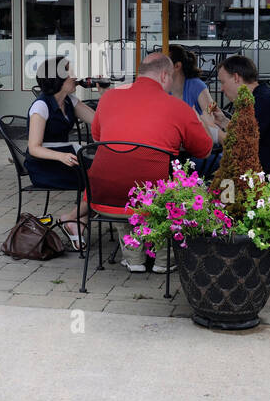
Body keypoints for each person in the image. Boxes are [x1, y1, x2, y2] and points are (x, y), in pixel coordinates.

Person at [88, 52, 214, 271]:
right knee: (174, 186)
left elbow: (97, 138)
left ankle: (134, 256)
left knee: (122, 175)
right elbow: (204, 150)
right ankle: (164, 259)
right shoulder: (178, 107)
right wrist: (201, 122)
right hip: (153, 196)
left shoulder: (108, 97)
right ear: (165, 76)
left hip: (103, 194)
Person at [25, 56, 98, 249]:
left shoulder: (69, 100)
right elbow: (34, 147)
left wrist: (105, 92)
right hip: (45, 165)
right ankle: (74, 221)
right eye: (70, 72)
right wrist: (60, 156)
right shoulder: (41, 106)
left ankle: (73, 220)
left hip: (67, 160)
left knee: (108, 178)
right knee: (99, 183)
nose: (75, 76)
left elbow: (99, 121)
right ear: (58, 78)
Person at [209, 54, 270, 174]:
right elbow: (246, 133)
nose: (221, 89)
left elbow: (238, 148)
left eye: (223, 82)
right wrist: (223, 121)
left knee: (203, 167)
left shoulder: (260, 102)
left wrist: (213, 130)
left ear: (236, 78)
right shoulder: (261, 95)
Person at [167, 44, 222, 177]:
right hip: (172, 147)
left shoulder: (195, 84)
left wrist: (206, 114)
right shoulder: (162, 88)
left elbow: (212, 109)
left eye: (164, 63)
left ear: (177, 66)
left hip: (194, 148)